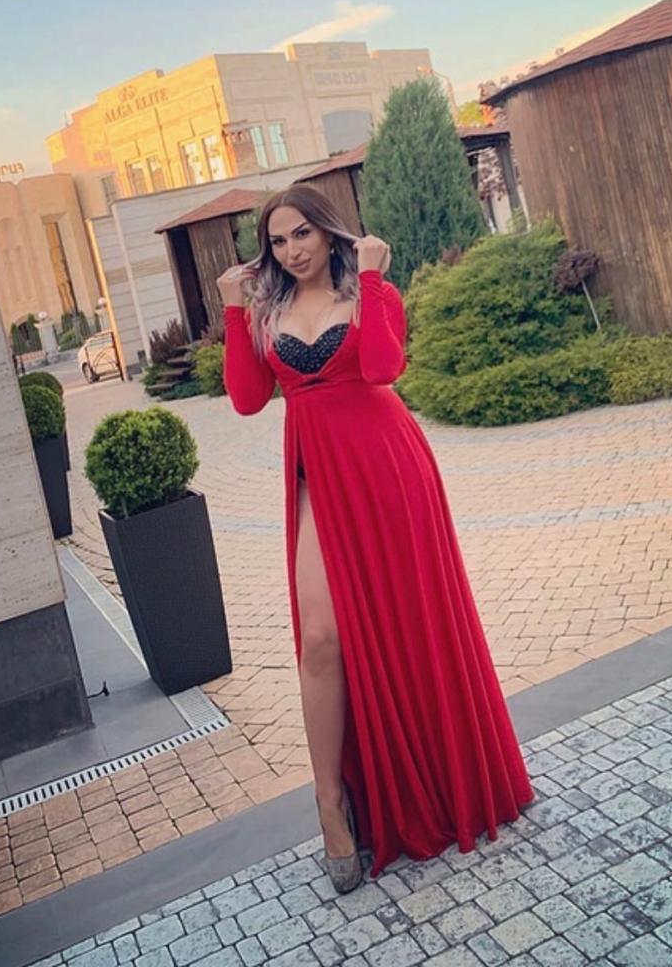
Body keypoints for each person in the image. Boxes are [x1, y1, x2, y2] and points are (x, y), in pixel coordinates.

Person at [217, 184, 534, 894]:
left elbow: (384, 368)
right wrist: (234, 309)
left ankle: (439, 781)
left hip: (389, 467)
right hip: (316, 473)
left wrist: (371, 277)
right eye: (277, 241)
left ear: (329, 232)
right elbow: (247, 399)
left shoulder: (369, 291)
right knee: (320, 640)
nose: (291, 250)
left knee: (413, 626)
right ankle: (331, 802)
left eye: (303, 234)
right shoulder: (266, 311)